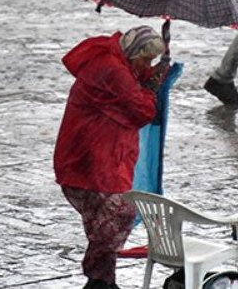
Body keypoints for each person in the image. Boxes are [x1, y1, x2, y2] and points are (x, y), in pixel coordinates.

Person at [53, 25, 166, 289]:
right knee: (119, 213)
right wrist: (151, 90)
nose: (146, 64)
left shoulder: (115, 62)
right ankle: (97, 277)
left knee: (101, 220)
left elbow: (131, 83)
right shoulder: (112, 70)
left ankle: (102, 280)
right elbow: (141, 109)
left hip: (92, 155)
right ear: (134, 51)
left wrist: (152, 72)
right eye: (146, 59)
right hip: (92, 159)